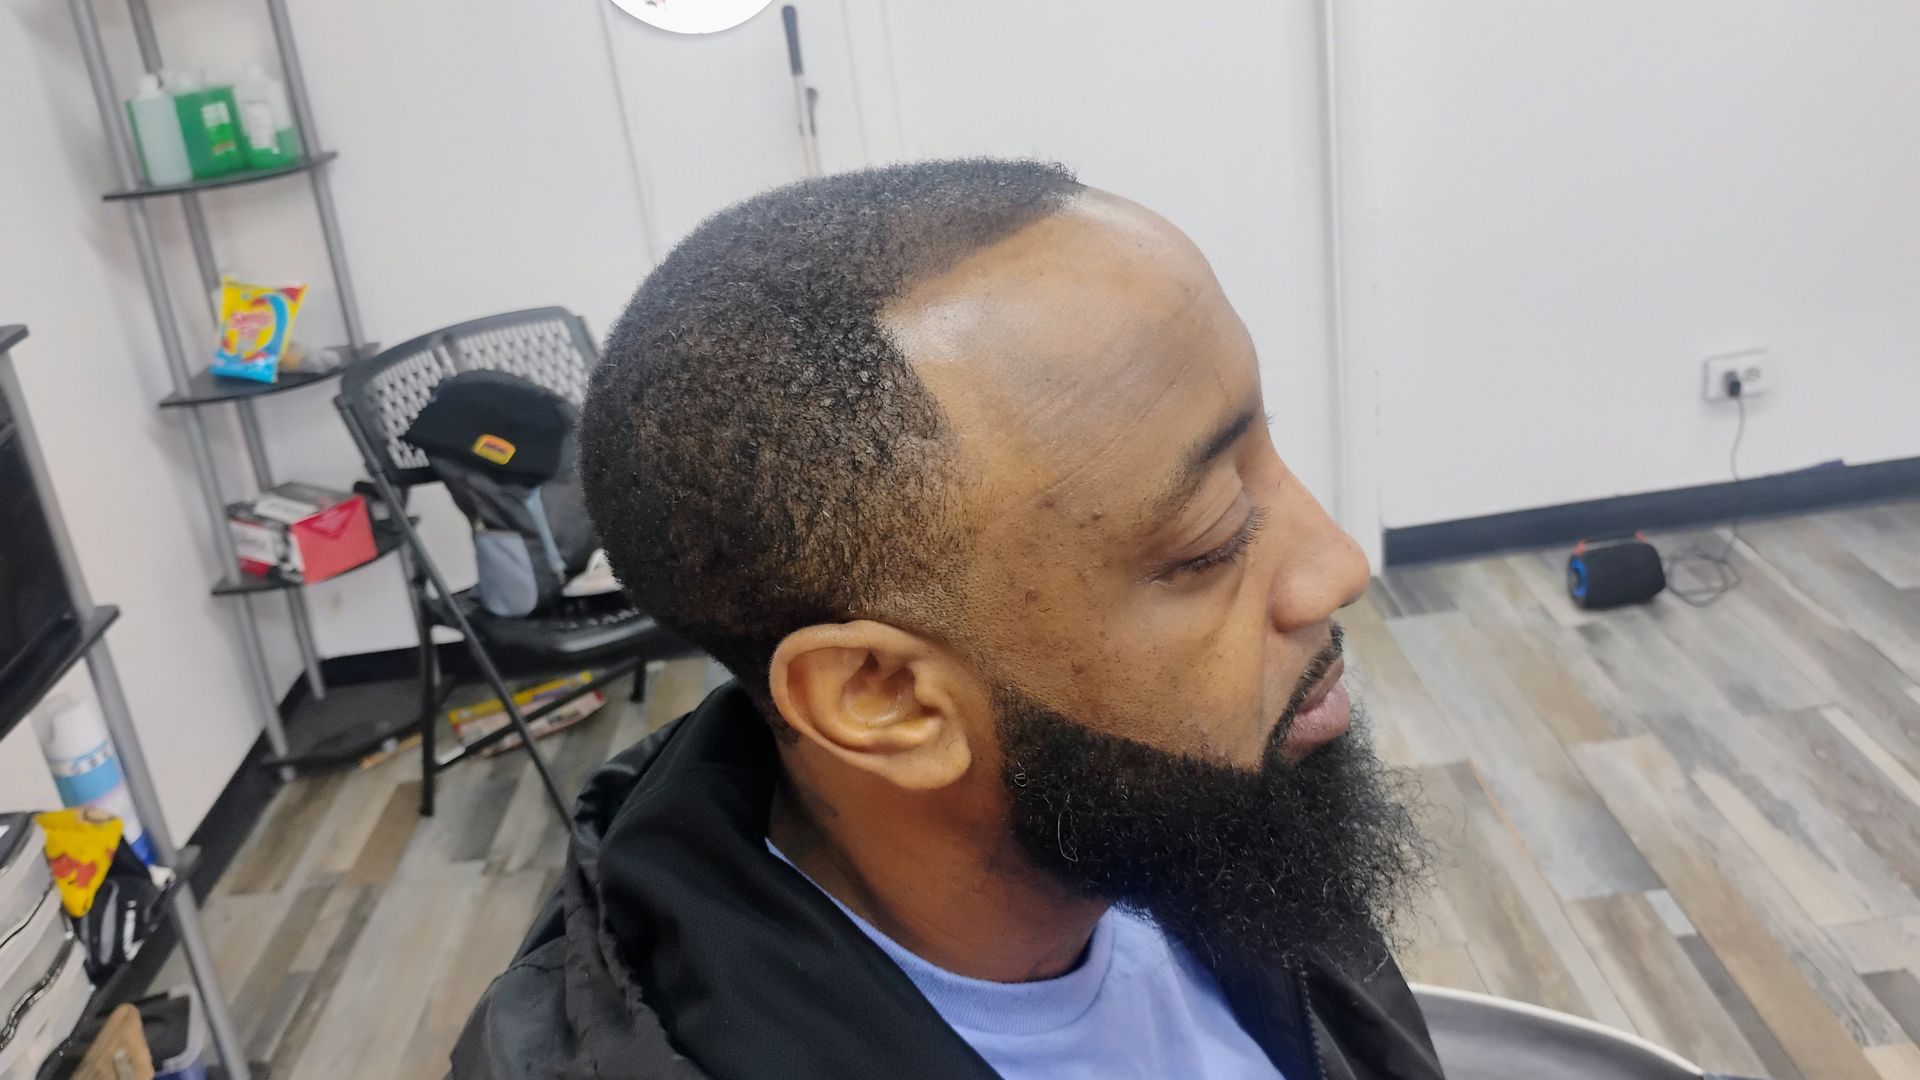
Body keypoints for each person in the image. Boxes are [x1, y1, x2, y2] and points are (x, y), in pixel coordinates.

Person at [453, 159, 1439, 1080]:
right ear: (884, 696)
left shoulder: (1210, 811)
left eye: (1263, 457)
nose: (1336, 566)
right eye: (1212, 540)